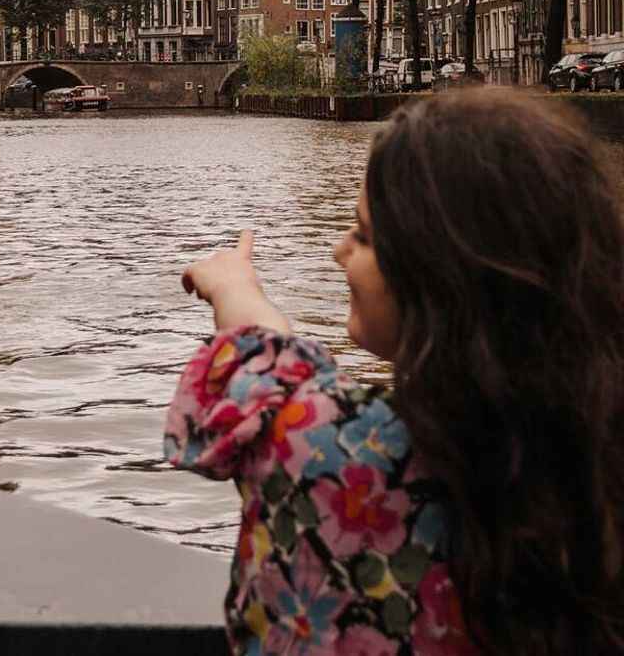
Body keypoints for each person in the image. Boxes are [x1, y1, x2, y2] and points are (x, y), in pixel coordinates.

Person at [165, 89, 624, 655]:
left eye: (361, 234)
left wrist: (234, 285)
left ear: (431, 271)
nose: (337, 252)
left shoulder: (331, 456)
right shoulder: (596, 467)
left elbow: (263, 371)